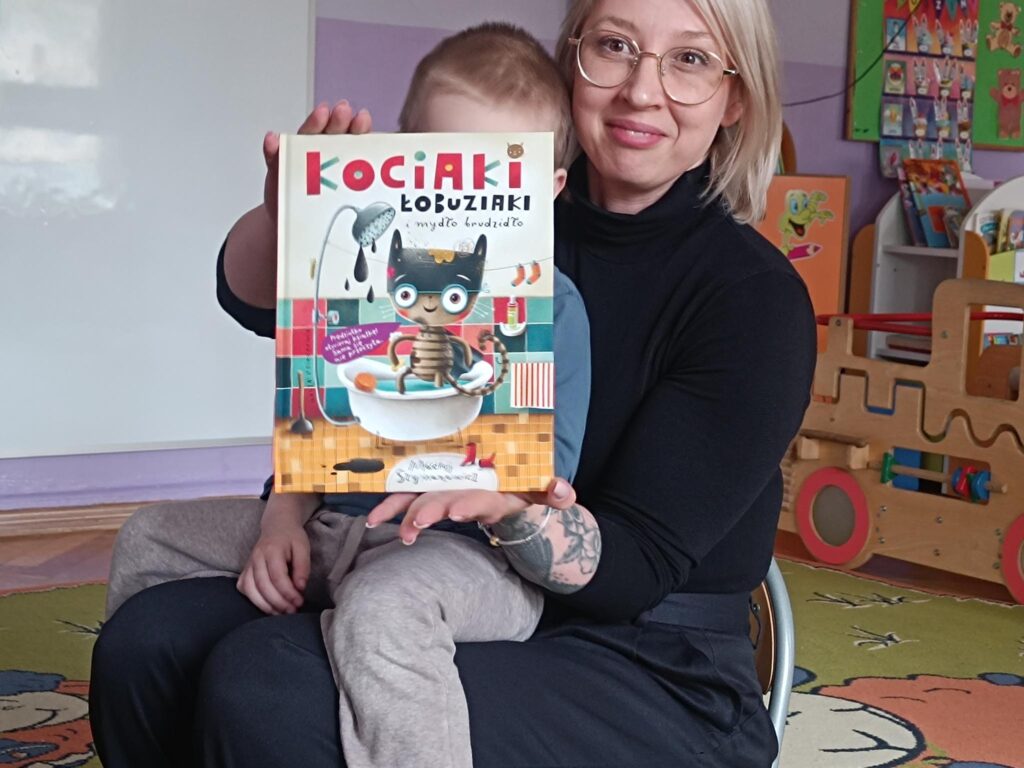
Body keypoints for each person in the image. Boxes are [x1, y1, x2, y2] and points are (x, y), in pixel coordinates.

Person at [90, 1, 816, 766]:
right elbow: (252, 304)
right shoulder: (465, 205)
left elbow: (636, 567)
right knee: (152, 641)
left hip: (648, 657)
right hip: (398, 544)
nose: (641, 89)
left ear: (735, 99)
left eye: (690, 60)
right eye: (615, 46)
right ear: (574, 60)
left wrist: (513, 506)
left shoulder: (752, 298)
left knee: (267, 681)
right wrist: (295, 216)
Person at [94, 23, 590, 768]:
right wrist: (279, 522)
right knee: (147, 537)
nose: (458, 198)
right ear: (398, 160)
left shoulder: (551, 305)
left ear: (547, 189)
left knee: (384, 610)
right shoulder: (361, 282)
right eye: (438, 166)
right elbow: (316, 427)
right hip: (336, 529)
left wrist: (490, 472)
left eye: (493, 179)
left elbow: (544, 483)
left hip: (463, 557)